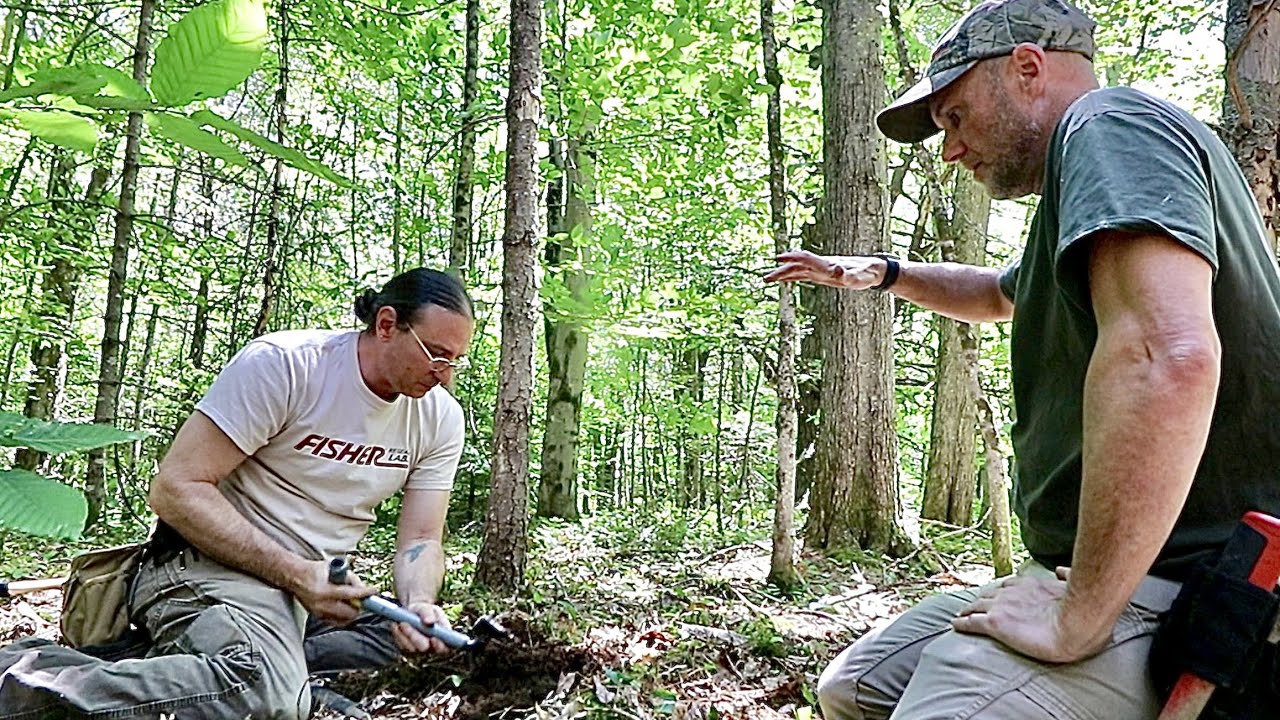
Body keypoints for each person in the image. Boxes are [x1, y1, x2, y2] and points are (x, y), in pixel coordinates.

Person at [765, 0, 1280, 718]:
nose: (948, 149)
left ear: (1028, 69)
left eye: (954, 118)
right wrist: (881, 273)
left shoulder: (1110, 126)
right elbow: (1002, 293)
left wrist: (1080, 617)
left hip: (1181, 584)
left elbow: (1168, 357)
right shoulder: (1091, 194)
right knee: (854, 685)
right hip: (1097, 575)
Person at [0, 268, 474, 719]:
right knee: (262, 695)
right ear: (387, 325)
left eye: (455, 360)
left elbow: (421, 538)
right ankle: (19, 681)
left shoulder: (439, 418)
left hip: (309, 594)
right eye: (435, 354)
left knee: (417, 653)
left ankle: (225, 663)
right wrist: (294, 573)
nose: (445, 374)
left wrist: (415, 604)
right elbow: (175, 489)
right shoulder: (288, 366)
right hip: (209, 568)